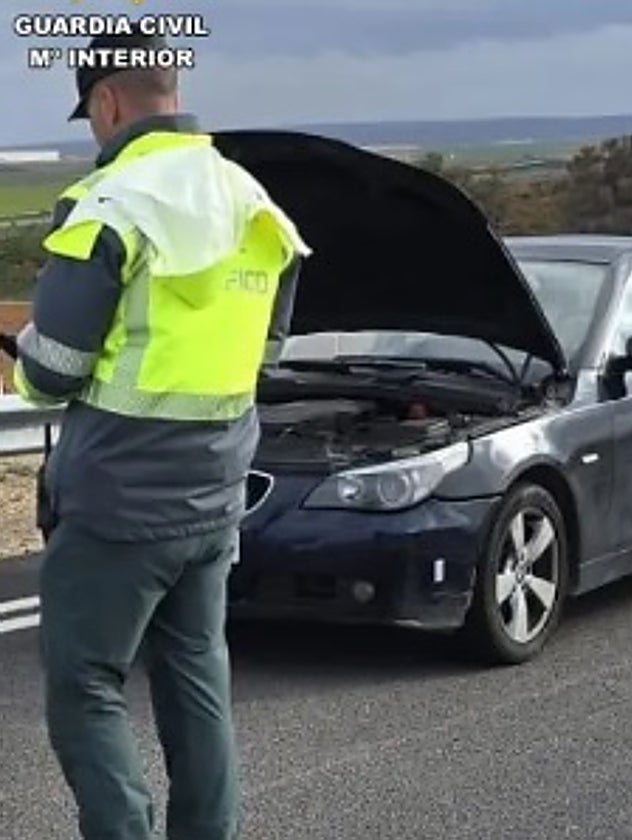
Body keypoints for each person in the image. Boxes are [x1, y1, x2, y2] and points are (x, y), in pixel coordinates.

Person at [12, 32, 311, 839]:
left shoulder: (112, 202)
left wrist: (30, 359)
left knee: (85, 684)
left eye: (89, 117)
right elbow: (265, 352)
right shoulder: (254, 201)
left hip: (116, 499)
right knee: (195, 678)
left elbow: (50, 374)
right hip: (215, 497)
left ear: (106, 102)